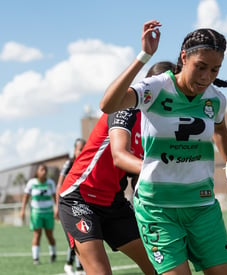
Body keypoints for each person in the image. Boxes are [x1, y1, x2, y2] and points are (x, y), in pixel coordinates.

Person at [100, 20, 227, 275]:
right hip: (158, 210)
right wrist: (144, 56)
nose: (206, 77)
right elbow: (108, 104)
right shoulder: (155, 88)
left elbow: (221, 130)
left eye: (214, 70)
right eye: (200, 67)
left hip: (202, 208)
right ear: (184, 58)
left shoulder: (215, 99)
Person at [57, 61, 176, 275]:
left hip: (113, 202)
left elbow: (139, 180)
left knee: (160, 267)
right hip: (79, 197)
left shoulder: (160, 125)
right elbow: (119, 157)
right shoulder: (127, 107)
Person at [55, 138, 86, 275]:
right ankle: (74, 266)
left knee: (82, 235)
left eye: (84, 148)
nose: (82, 151)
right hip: (68, 203)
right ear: (74, 150)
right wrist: (57, 206)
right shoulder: (69, 164)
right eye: (80, 149)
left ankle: (74, 265)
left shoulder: (87, 162)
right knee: (76, 235)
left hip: (83, 203)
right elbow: (59, 185)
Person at [20, 163, 57, 265]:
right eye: (41, 169)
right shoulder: (32, 183)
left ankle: (53, 254)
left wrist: (57, 209)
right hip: (36, 213)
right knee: (37, 235)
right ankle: (35, 258)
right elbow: (26, 197)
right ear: (37, 172)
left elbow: (55, 198)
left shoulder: (50, 183)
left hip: (48, 213)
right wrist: (22, 210)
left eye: (45, 169)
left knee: (49, 235)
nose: (44, 171)